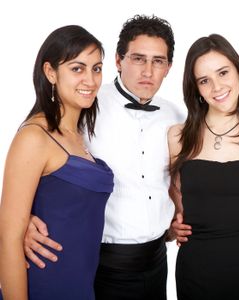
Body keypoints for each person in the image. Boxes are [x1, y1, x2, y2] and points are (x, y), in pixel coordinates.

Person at [22, 15, 184, 300]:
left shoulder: (176, 116)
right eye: (137, 59)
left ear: (168, 68)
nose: (148, 70)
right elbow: (34, 157)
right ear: (119, 61)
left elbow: (175, 180)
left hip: (158, 260)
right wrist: (23, 220)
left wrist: (175, 218)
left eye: (158, 61)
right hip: (101, 263)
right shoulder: (86, 102)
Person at [0, 25, 113, 300]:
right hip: (44, 282)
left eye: (96, 68)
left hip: (81, 283)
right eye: (77, 68)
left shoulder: (79, 135)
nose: (90, 79)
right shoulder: (34, 137)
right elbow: (8, 238)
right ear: (50, 72)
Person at [168, 33, 239, 300]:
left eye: (223, 73)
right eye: (204, 80)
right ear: (195, 88)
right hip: (196, 272)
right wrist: (171, 225)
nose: (216, 86)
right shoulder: (177, 136)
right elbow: (174, 201)